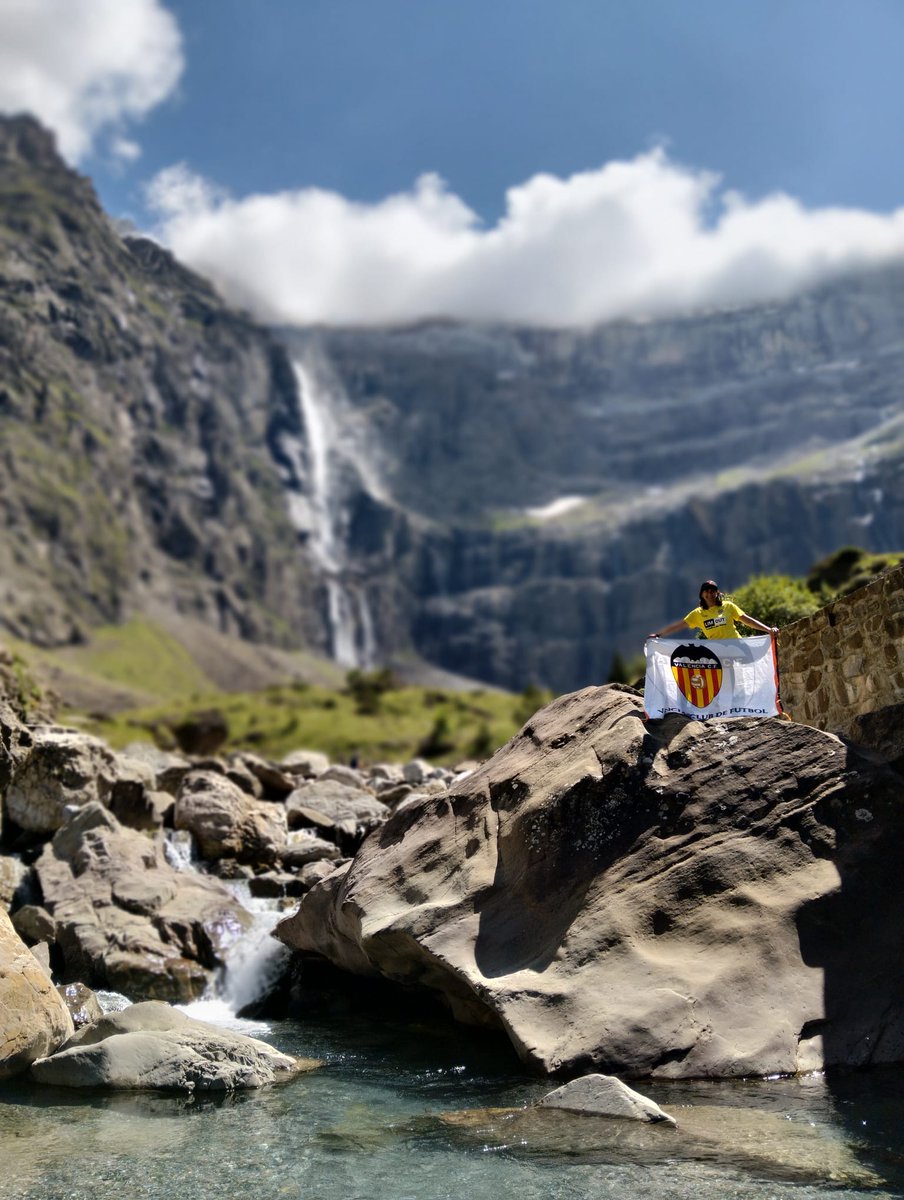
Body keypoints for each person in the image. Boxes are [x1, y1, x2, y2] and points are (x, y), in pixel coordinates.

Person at [648, 579, 778, 640]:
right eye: (706, 591)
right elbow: (679, 626)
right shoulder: (698, 614)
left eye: (712, 591)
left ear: (717, 593)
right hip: (718, 652)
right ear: (701, 594)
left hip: (738, 647)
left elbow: (747, 621)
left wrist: (768, 630)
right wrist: (659, 634)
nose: (709, 593)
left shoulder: (728, 606)